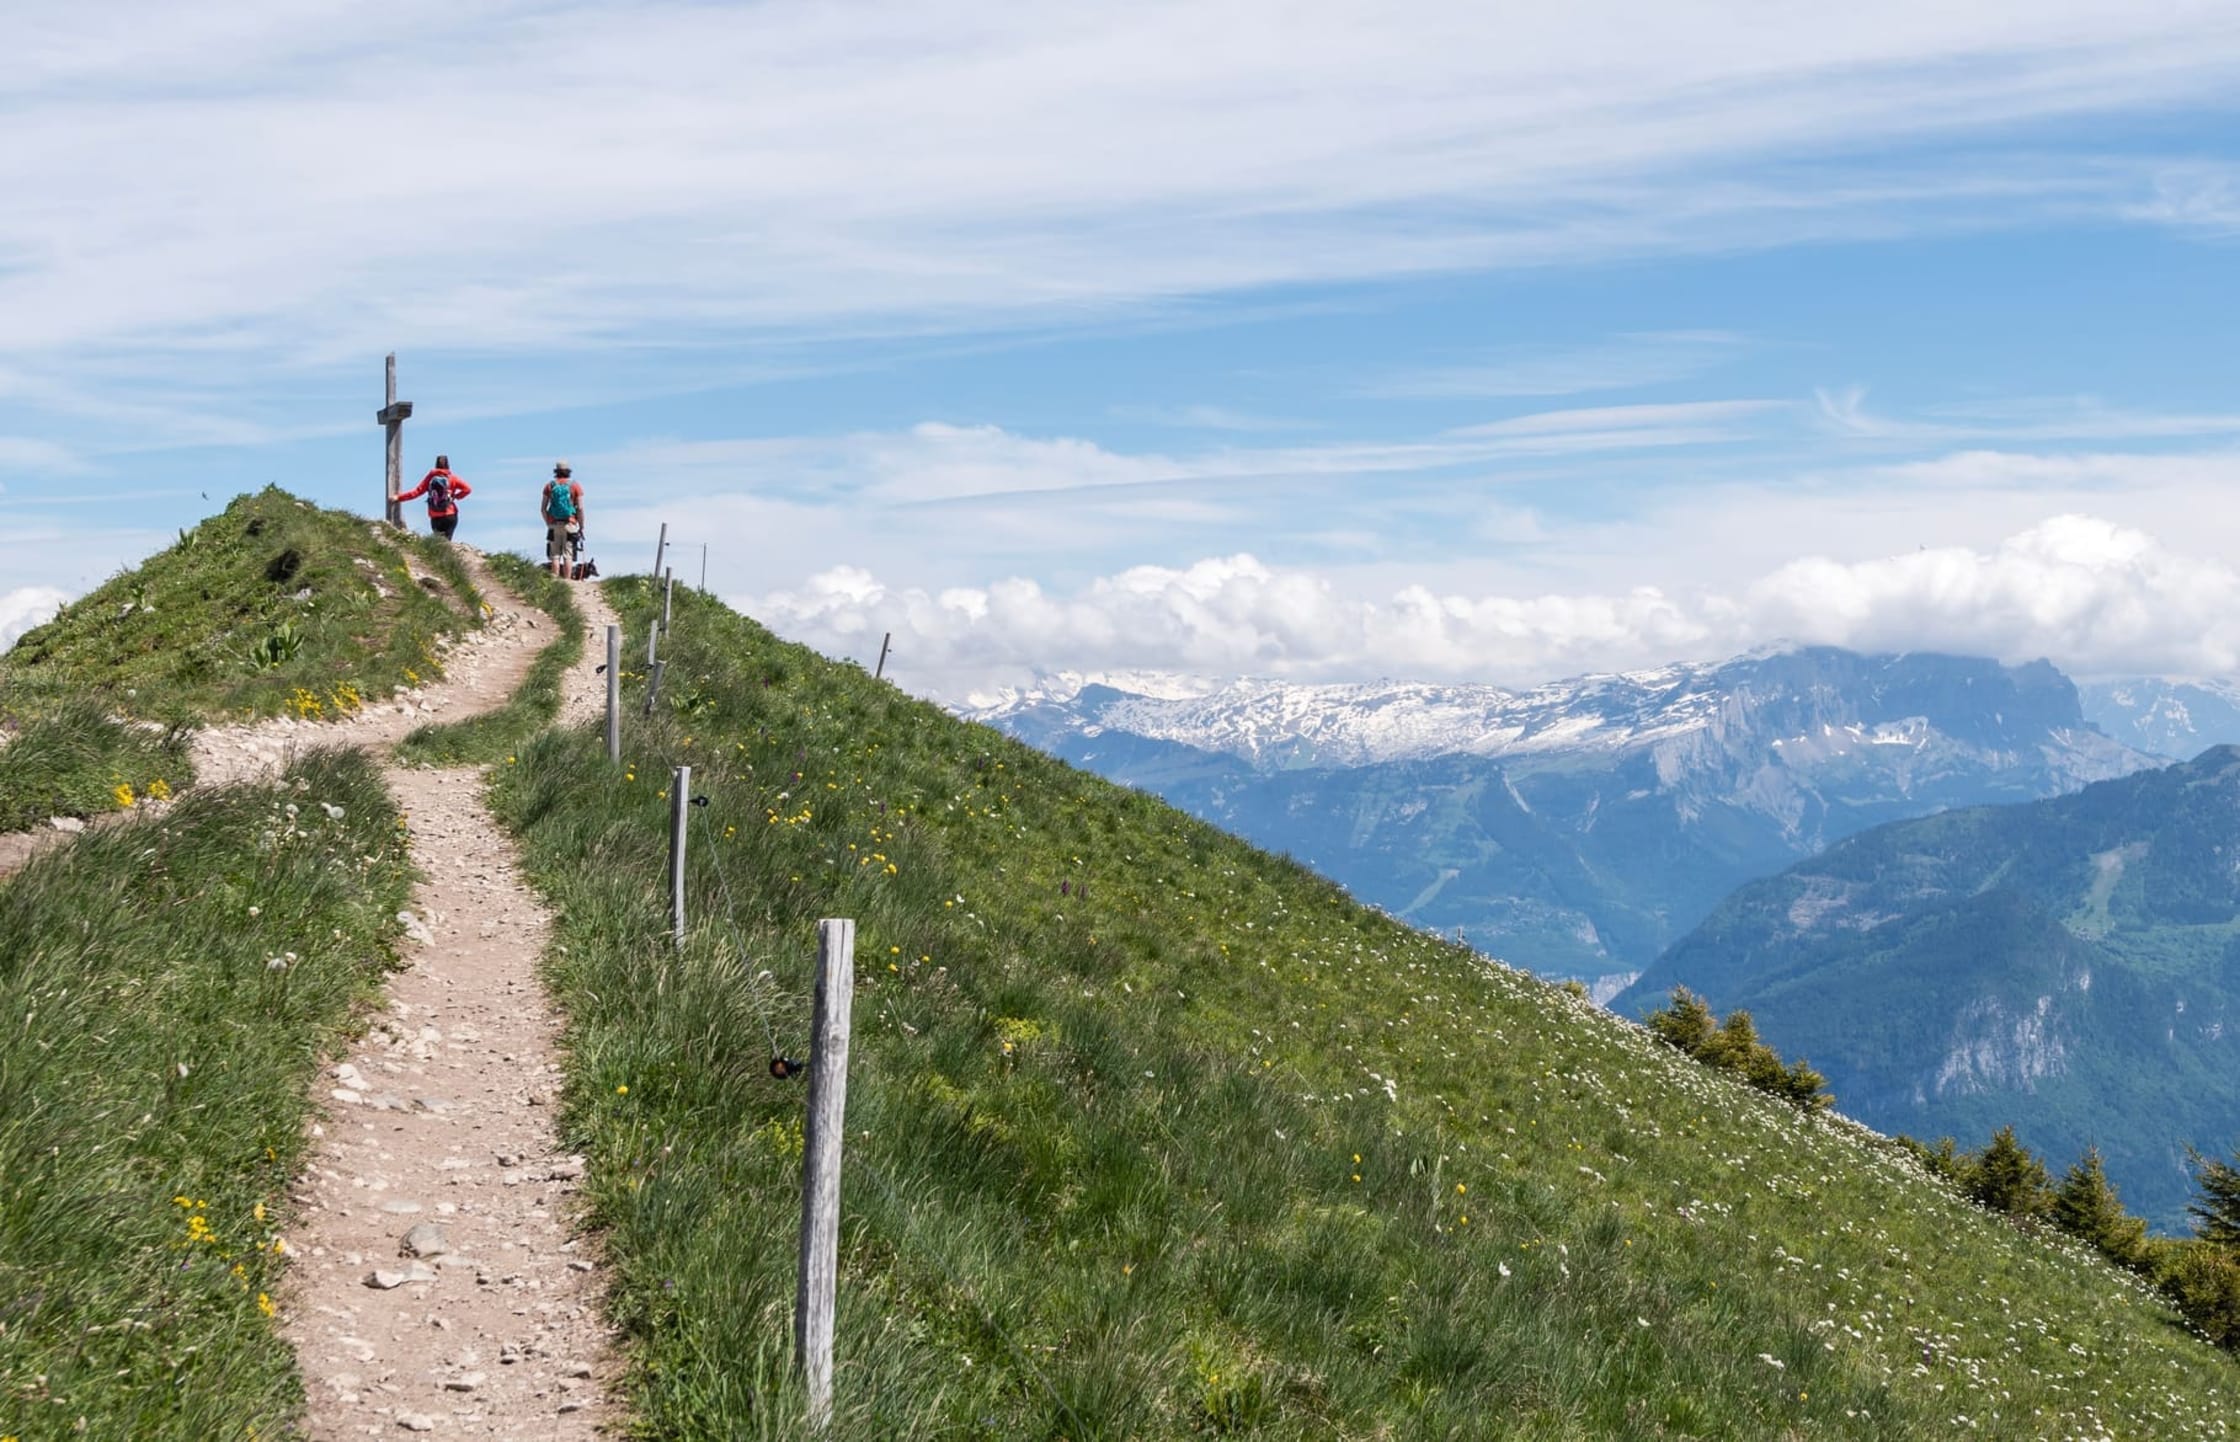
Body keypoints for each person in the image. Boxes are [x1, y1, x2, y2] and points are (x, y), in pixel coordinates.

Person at [398, 454, 472, 541]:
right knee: (446, 542)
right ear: (448, 465)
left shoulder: (430, 478)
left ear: (436, 464)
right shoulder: (452, 478)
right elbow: (468, 489)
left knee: (438, 542)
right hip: (450, 514)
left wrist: (398, 498)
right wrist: (456, 496)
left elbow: (417, 492)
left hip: (435, 515)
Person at [542, 460, 586, 578]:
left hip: (554, 524)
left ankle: (555, 580)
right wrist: (581, 526)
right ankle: (567, 581)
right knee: (568, 554)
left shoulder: (549, 486)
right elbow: (580, 508)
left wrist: (548, 523)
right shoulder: (575, 486)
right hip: (569, 524)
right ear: (568, 472)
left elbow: (543, 508)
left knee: (555, 555)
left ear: (556, 471)